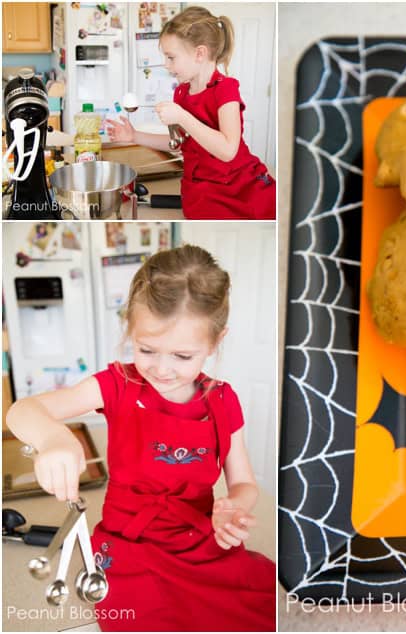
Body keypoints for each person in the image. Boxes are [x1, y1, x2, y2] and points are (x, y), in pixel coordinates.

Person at [6, 245, 275, 632]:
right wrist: (54, 439)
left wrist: (235, 505)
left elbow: (244, 481)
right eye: (147, 349)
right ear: (131, 330)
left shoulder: (223, 400)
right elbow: (23, 410)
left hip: (199, 543)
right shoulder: (118, 385)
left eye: (183, 356)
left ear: (216, 342)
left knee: (258, 606)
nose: (162, 369)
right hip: (128, 547)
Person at [106, 7, 275, 220]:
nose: (166, 65)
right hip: (200, 188)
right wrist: (134, 136)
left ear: (199, 53)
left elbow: (228, 150)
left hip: (238, 185)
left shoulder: (225, 89)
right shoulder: (181, 93)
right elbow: (181, 142)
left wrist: (182, 117)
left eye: (171, 57)